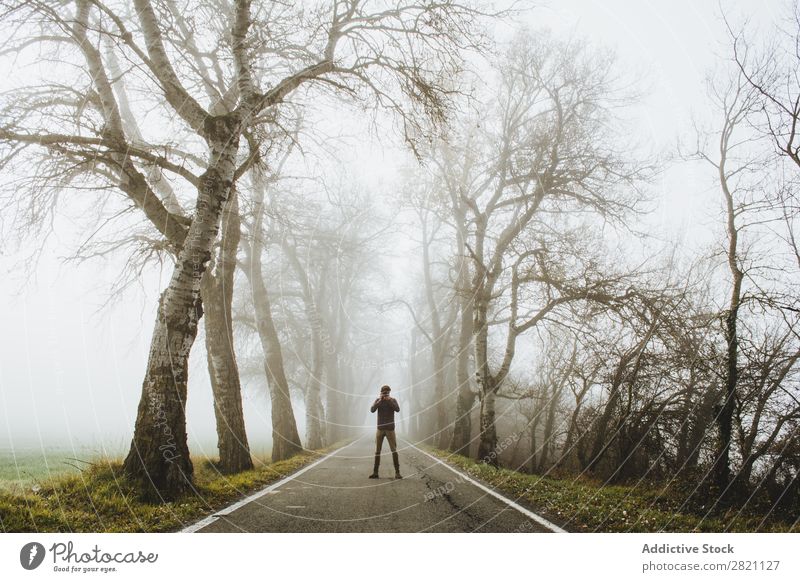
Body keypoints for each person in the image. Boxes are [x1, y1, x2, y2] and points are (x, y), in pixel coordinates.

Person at [369, 385, 402, 479]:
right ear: (381, 392)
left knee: (394, 450)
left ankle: (397, 472)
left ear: (389, 392)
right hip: (380, 429)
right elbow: (372, 410)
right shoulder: (378, 400)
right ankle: (375, 472)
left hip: (390, 429)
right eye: (384, 392)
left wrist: (389, 400)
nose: (385, 394)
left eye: (387, 392)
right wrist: (379, 401)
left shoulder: (393, 400)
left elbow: (397, 409)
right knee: (377, 451)